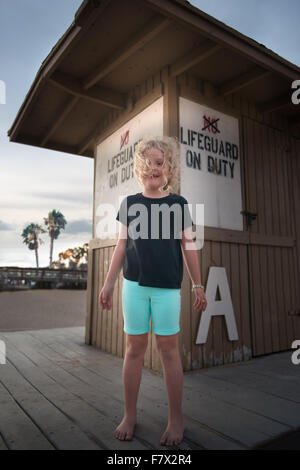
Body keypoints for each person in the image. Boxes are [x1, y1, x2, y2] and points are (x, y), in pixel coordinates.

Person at [99, 136, 207, 447]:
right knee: (133, 349)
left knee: (169, 351)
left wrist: (198, 284)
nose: (153, 168)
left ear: (169, 168)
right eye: (147, 163)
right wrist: (108, 283)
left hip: (167, 290)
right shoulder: (129, 205)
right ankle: (130, 415)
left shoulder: (178, 204)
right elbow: (121, 246)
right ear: (139, 169)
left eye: (160, 163)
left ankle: (176, 419)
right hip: (133, 287)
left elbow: (188, 247)